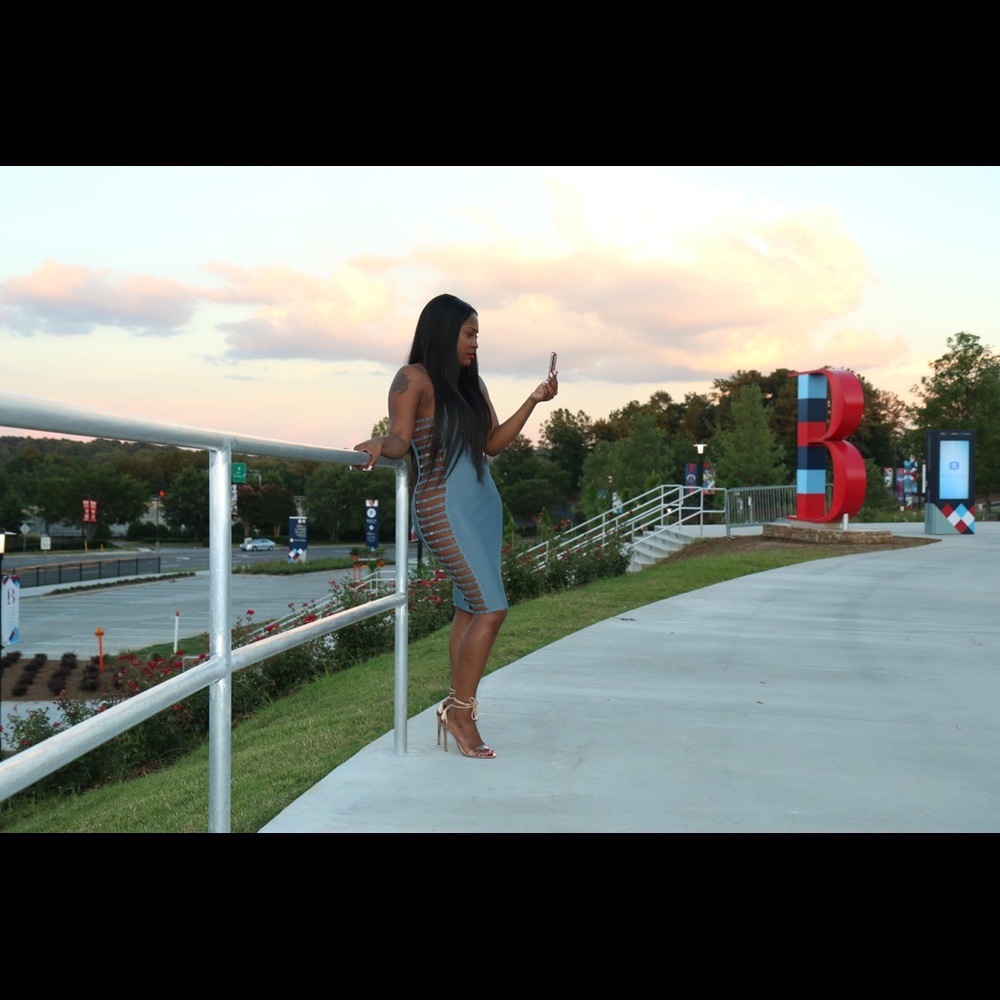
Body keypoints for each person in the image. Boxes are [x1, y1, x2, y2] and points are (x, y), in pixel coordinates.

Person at [353, 294, 558, 759]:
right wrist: (376, 444)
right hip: (443, 507)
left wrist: (534, 399)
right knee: (492, 608)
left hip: (483, 506)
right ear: (445, 332)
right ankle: (460, 710)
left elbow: (491, 443)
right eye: (469, 334)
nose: (475, 344)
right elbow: (400, 439)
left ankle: (455, 704)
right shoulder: (413, 379)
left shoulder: (472, 385)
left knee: (470, 610)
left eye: (478, 336)